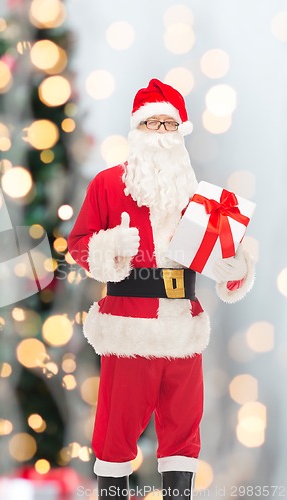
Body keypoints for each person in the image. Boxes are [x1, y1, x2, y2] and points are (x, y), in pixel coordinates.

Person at [67, 79, 255, 500]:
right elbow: (78, 245)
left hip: (183, 330)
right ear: (137, 131)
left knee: (184, 434)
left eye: (169, 125)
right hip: (128, 328)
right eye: (151, 123)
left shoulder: (202, 200)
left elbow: (228, 269)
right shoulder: (108, 185)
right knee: (115, 434)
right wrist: (110, 246)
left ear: (181, 134)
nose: (160, 133)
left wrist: (235, 267)